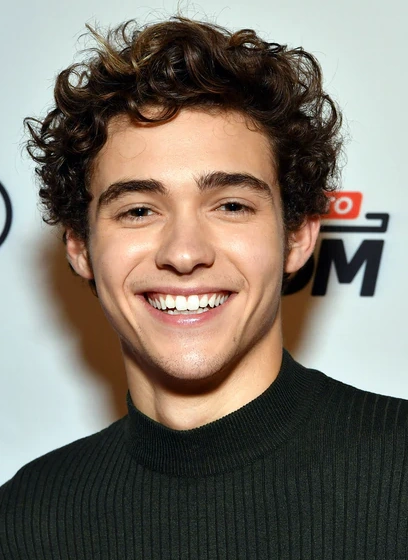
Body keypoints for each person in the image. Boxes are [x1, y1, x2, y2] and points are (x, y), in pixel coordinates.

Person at [1, 16, 407, 560]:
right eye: (138, 210)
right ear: (80, 247)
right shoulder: (24, 522)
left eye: (231, 205)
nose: (185, 252)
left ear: (298, 237)